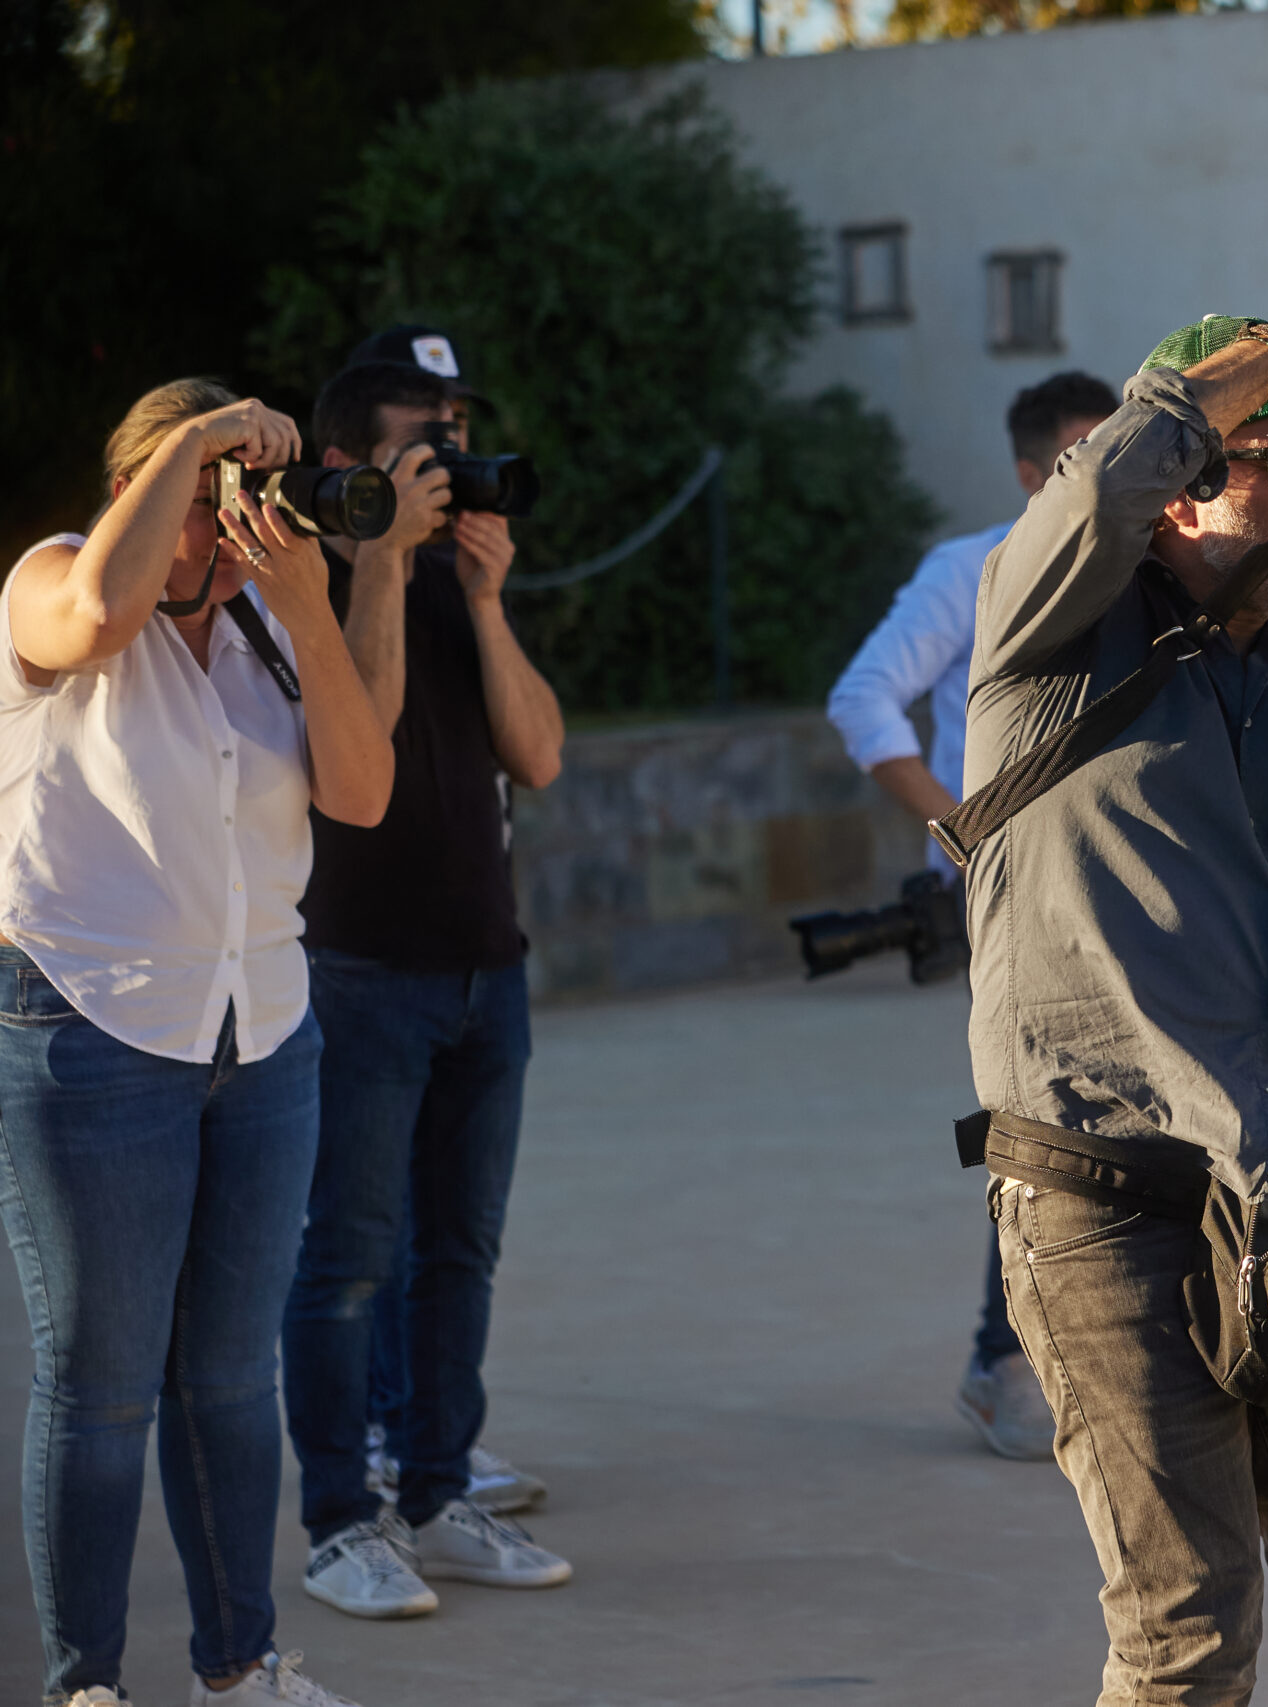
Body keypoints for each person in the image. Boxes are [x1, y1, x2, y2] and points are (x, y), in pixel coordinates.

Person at [968, 312, 1268, 1706]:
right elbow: (1116, 463)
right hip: (1109, 1211)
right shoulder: (1049, 627)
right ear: (1181, 484)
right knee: (1187, 1643)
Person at [0, 380, 393, 1707]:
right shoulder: (53, 582)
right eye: (214, 496)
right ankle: (85, 1682)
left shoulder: (268, 637)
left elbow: (362, 790)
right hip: (89, 1027)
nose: (232, 528)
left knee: (230, 1373)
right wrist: (200, 434)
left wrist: (312, 613)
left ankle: (237, 1662)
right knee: (103, 1378)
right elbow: (102, 610)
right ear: (143, 488)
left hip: (263, 1033)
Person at [281, 333, 571, 1620]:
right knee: (347, 1259)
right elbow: (367, 744)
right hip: (359, 970)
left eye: (459, 429)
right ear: (348, 457)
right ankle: (343, 1520)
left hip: (482, 971)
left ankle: (440, 1490)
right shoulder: (290, 592)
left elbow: (541, 758)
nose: (450, 455)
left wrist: (492, 598)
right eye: (424, 434)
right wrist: (385, 558)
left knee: (460, 1253)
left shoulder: (459, 583)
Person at [825, 369, 1118, 1461]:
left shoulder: (1148, 568)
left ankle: (1109, 1355)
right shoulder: (972, 571)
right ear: (1031, 470)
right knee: (1047, 1134)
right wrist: (967, 834)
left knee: (1147, 1129)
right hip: (1015, 907)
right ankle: (1002, 1363)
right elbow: (862, 697)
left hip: (1132, 893)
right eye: (1084, 455)